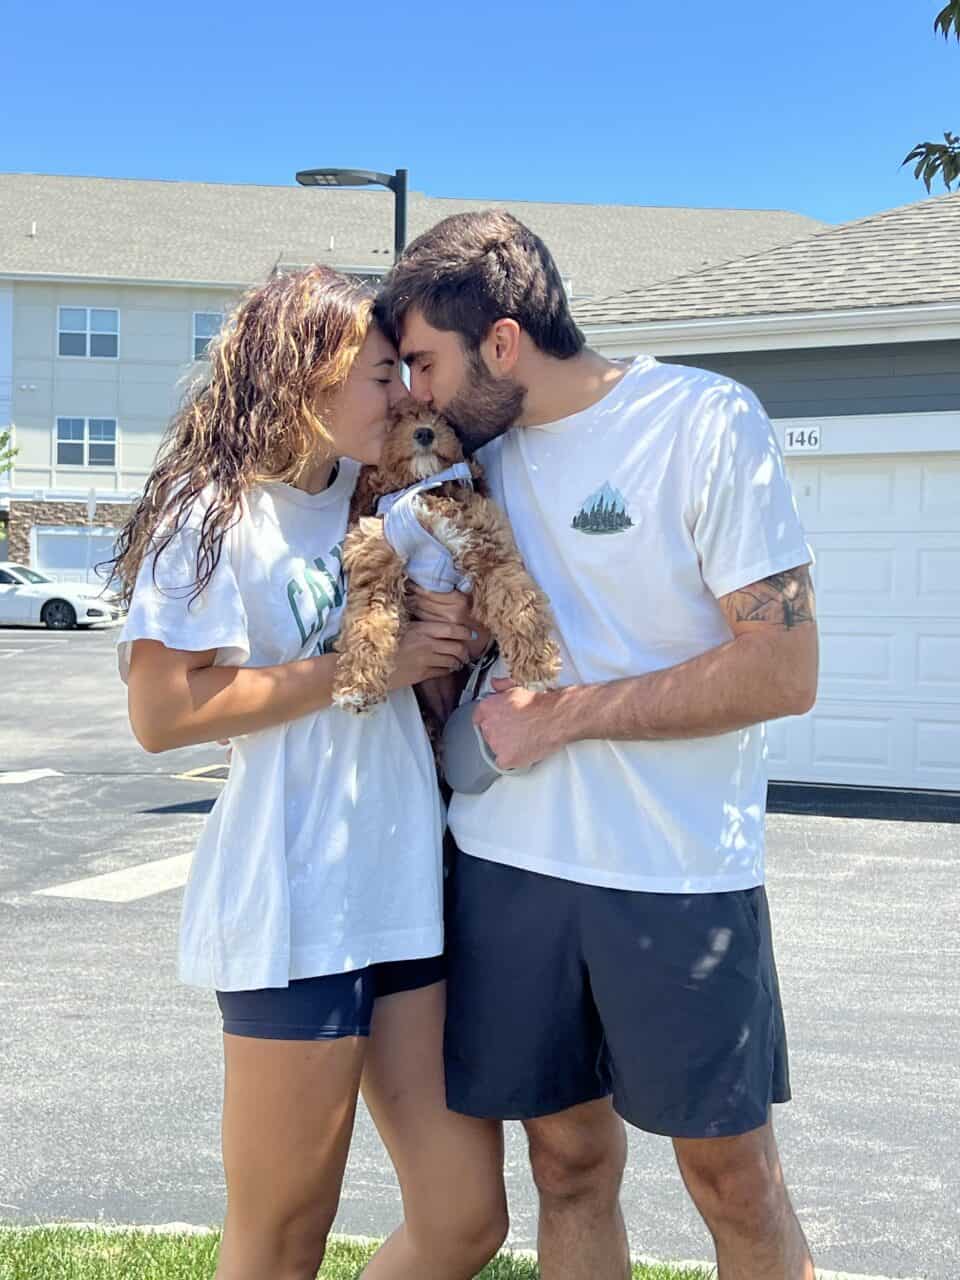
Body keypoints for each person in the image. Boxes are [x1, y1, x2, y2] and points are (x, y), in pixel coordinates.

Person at [377, 210, 820, 1280]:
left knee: (735, 1181)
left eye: (425, 362)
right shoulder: (466, 471)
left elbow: (782, 668)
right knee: (567, 1164)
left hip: (675, 869)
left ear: (504, 341)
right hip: (508, 868)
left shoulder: (704, 419)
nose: (414, 394)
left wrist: (562, 717)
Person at [112, 265, 507, 1280]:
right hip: (292, 903)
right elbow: (165, 713)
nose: (407, 396)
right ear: (308, 376)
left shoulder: (384, 498)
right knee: (283, 1232)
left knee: (466, 1214)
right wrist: (357, 669)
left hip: (405, 889)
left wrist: (442, 645)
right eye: (382, 375)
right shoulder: (215, 515)